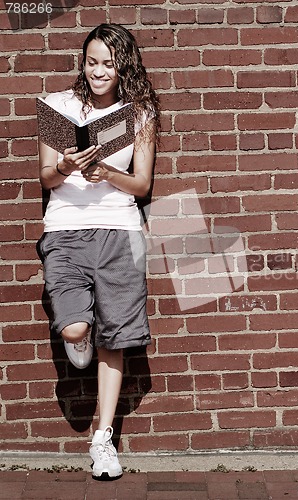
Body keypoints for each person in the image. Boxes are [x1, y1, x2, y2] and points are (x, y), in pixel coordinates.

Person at [37, 23, 160, 479]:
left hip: (120, 228)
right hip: (66, 230)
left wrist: (107, 173)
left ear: (122, 64)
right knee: (74, 330)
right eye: (91, 62)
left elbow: (142, 184)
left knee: (118, 336)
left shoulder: (140, 113)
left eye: (108, 63)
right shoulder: (59, 107)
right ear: (82, 62)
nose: (98, 71)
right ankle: (80, 334)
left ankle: (103, 438)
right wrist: (66, 165)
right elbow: (47, 177)